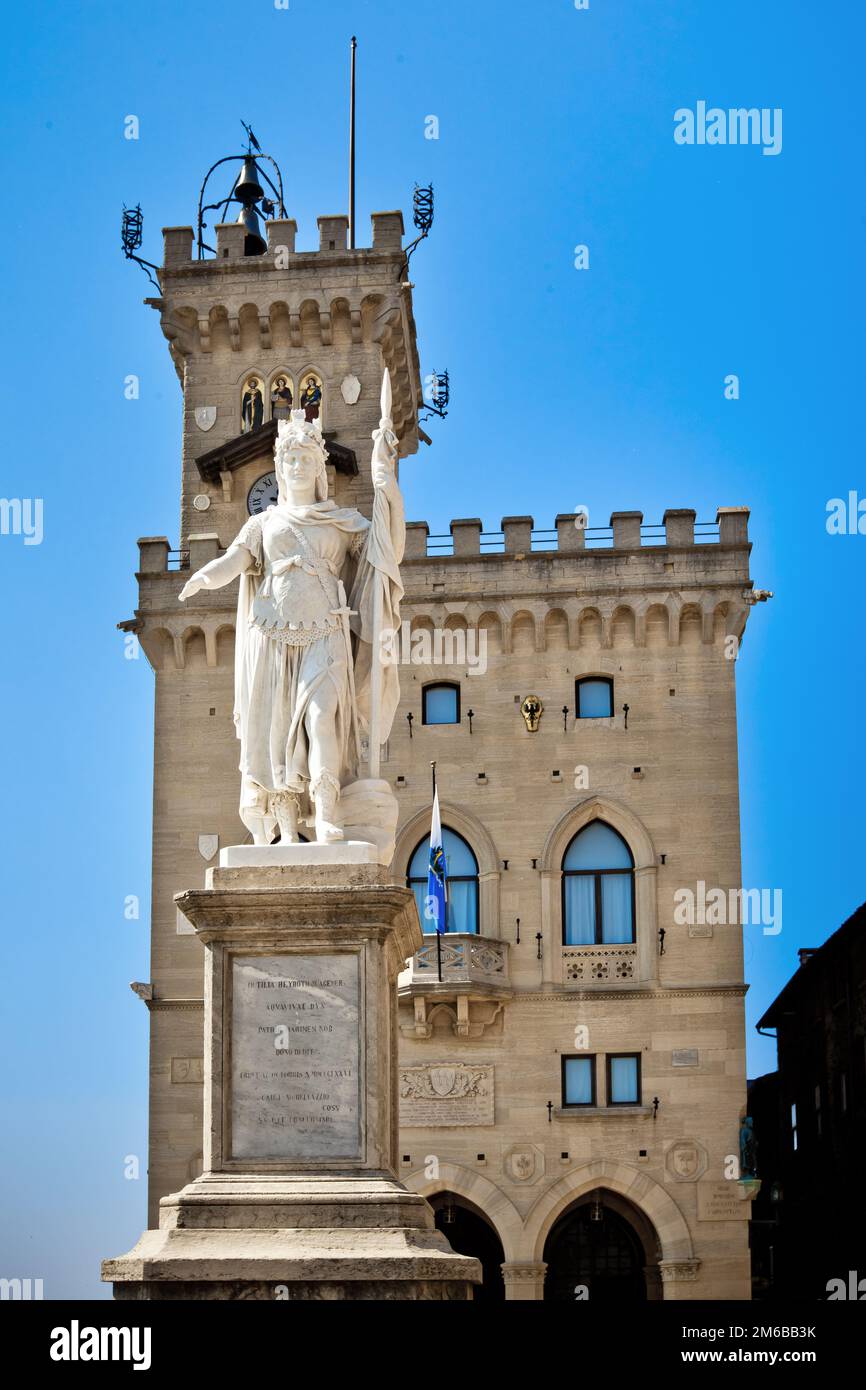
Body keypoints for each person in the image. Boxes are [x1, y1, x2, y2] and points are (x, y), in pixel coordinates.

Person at [179, 409, 403, 844]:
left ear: (319, 468)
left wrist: (387, 487)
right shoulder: (264, 523)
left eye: (304, 459)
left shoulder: (342, 522)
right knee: (277, 736)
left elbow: (384, 551)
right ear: (280, 469)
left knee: (321, 718)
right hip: (273, 637)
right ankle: (283, 829)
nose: (297, 466)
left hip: (325, 634)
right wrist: (205, 577)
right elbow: (236, 561)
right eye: (289, 460)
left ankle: (326, 815)